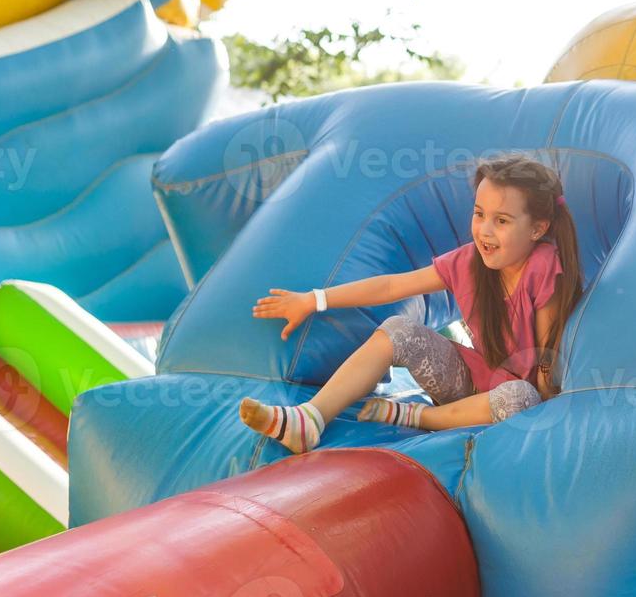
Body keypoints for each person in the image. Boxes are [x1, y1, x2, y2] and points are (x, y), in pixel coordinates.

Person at [238, 153, 583, 453]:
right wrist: (315, 300)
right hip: (471, 383)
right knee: (398, 329)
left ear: (537, 229)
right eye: (479, 214)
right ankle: (310, 418)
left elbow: (544, 359)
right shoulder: (469, 262)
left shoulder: (542, 265)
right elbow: (391, 286)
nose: (485, 231)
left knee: (521, 395)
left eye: (502, 221)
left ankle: (418, 416)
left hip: (514, 400)